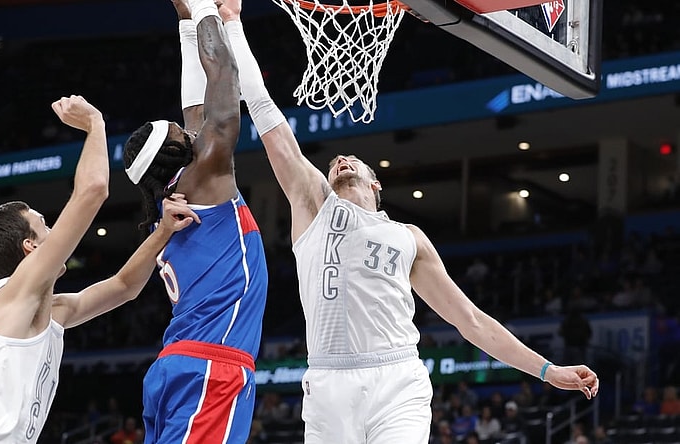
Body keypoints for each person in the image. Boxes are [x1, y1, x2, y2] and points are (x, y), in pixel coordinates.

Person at [217, 1, 600, 442]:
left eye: (351, 159)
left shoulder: (409, 238)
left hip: (395, 380)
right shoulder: (313, 206)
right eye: (333, 162)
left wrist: (547, 370)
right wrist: (232, 24)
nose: (340, 160)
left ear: (376, 183)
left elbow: (471, 321)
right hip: (326, 385)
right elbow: (266, 114)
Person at [0, 96, 200, 444]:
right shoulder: (10, 295)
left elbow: (124, 287)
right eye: (44, 225)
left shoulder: (52, 310)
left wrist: (164, 231)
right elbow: (92, 191)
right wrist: (95, 124)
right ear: (30, 249)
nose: (54, 232)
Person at [122, 0, 268, 442]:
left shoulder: (177, 197)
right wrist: (206, 8)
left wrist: (188, 25)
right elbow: (222, 99)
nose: (190, 131)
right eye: (180, 135)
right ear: (174, 156)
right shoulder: (202, 181)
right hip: (211, 365)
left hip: (183, 364)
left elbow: (197, 114)